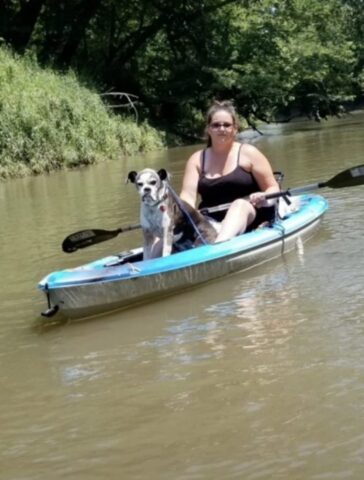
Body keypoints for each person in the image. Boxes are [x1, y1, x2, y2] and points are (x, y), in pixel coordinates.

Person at [180, 100, 280, 243]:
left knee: (238, 204)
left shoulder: (249, 153)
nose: (221, 129)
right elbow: (187, 197)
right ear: (208, 129)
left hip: (250, 213)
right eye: (216, 125)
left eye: (227, 125)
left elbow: (272, 187)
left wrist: (264, 195)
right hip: (210, 221)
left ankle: (218, 246)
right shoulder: (196, 160)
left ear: (235, 129)